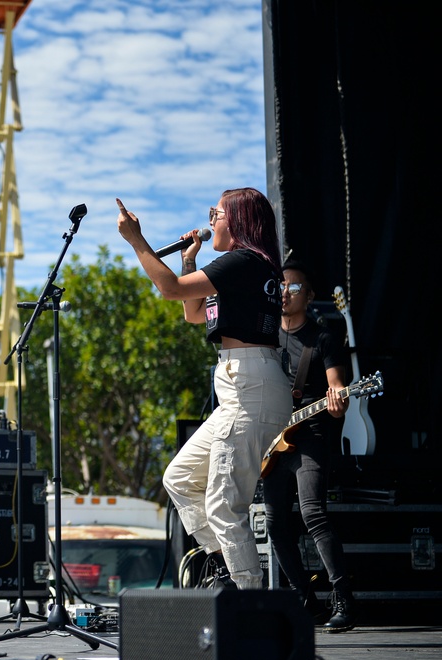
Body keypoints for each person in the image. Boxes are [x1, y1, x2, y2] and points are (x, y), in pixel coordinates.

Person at [116, 188, 291, 590]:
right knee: (179, 479)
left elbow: (172, 289)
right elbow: (194, 314)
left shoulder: (244, 262)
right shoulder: (245, 268)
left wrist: (136, 241)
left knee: (223, 505)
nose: (212, 219)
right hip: (242, 388)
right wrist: (189, 258)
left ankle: (249, 599)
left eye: (218, 212)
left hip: (250, 387)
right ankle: (230, 569)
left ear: (239, 221)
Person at [263, 258, 355, 632]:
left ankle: (343, 598)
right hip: (272, 440)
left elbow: (337, 390)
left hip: (310, 436)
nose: (286, 292)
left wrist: (338, 400)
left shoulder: (322, 337)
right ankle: (304, 598)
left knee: (313, 513)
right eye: (281, 286)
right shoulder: (265, 335)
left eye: (295, 287)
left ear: (310, 295)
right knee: (274, 522)